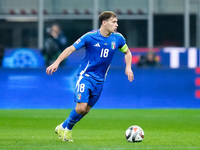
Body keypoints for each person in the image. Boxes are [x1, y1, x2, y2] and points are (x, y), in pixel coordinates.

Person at [46, 11, 134, 142]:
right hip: (86, 76)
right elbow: (70, 49)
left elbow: (127, 52)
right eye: (113, 22)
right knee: (81, 107)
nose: (117, 24)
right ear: (104, 23)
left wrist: (128, 67)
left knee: (85, 110)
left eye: (116, 22)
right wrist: (57, 62)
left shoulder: (118, 38)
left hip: (100, 80)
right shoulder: (90, 37)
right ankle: (67, 131)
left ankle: (62, 126)